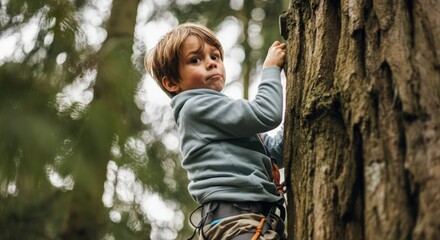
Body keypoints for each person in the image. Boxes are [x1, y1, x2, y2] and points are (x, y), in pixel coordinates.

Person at [145, 22, 287, 240]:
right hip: (235, 224)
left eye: (215, 56)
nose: (211, 64)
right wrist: (270, 70)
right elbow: (267, 113)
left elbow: (276, 152)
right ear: (172, 82)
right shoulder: (195, 107)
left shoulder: (221, 115)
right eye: (196, 60)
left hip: (251, 222)